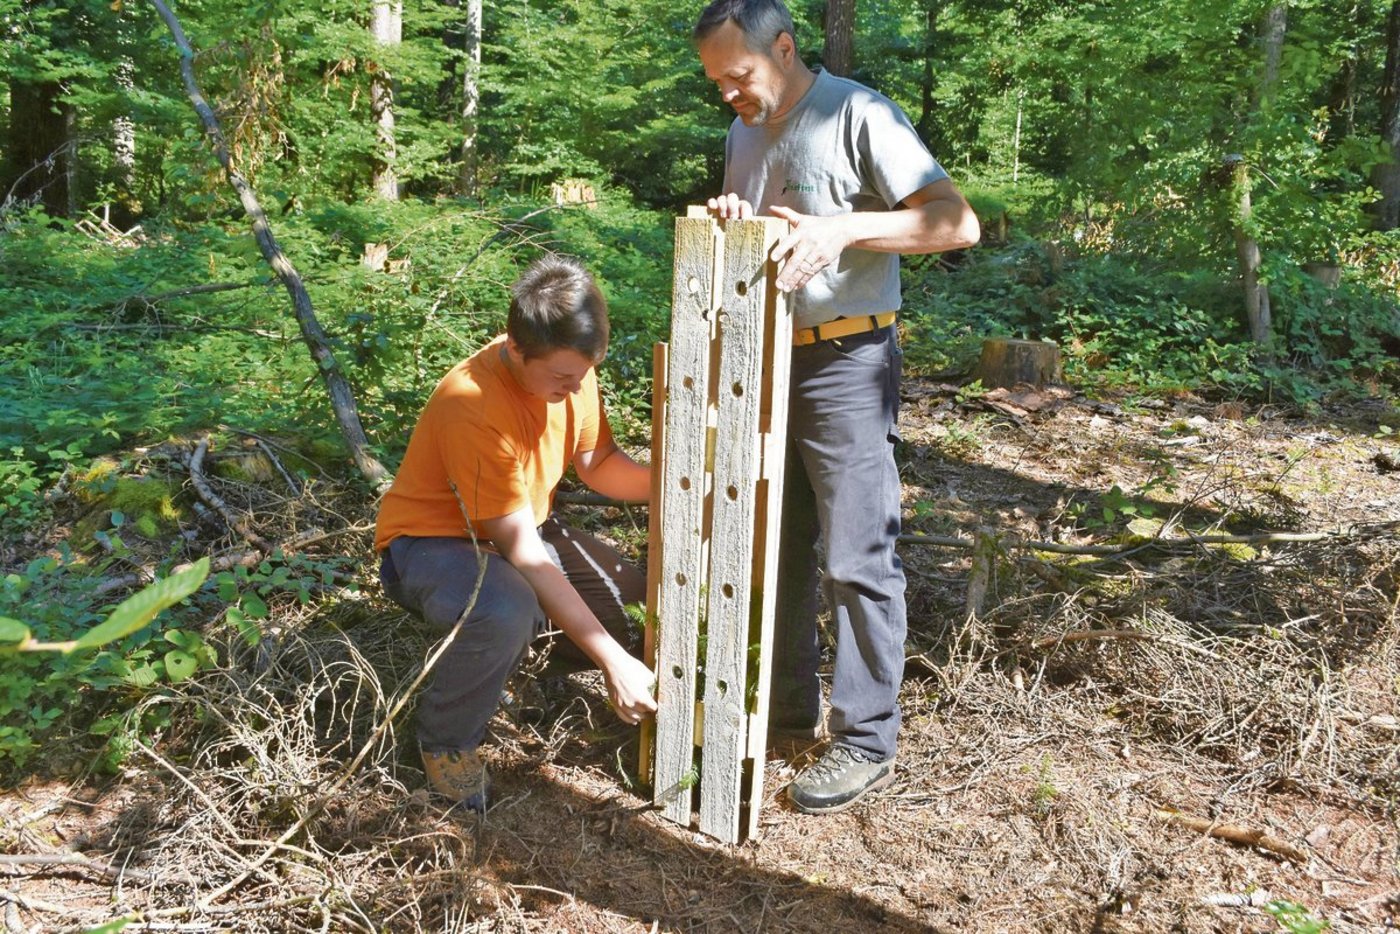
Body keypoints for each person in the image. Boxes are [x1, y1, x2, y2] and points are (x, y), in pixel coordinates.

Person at [693, 0, 981, 814]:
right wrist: (732, 226)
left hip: (849, 360)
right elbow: (769, 239)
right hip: (765, 360)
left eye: (738, 75)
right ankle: (786, 712)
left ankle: (864, 739)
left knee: (857, 554)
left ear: (783, 48)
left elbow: (957, 224)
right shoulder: (742, 132)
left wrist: (842, 230)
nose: (727, 95)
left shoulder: (857, 111)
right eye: (715, 82)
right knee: (774, 547)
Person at [374, 255, 658, 812]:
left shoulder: (571, 369)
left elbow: (598, 464)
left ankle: (514, 659)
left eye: (583, 374)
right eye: (561, 378)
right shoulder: (473, 403)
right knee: (507, 608)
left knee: (634, 606)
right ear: (515, 346)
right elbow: (524, 551)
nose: (576, 387)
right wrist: (611, 661)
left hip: (521, 531)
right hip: (431, 546)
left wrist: (675, 483)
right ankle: (447, 741)